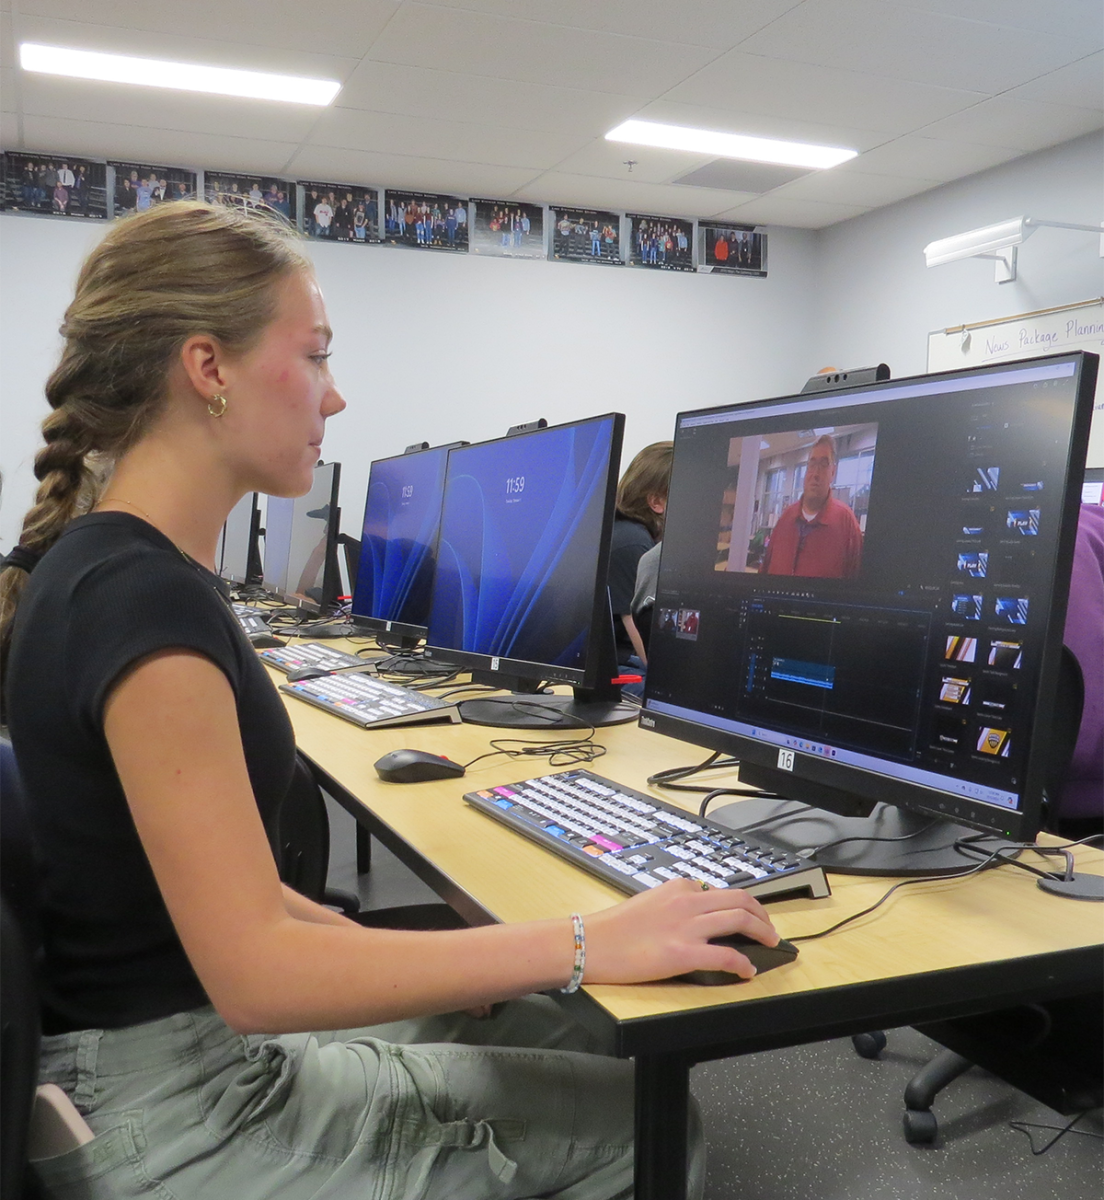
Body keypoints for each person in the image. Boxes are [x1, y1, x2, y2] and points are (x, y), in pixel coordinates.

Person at [0, 201, 779, 1200]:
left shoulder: (100, 567)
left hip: (145, 1054)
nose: (337, 398)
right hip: (182, 1103)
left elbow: (237, 900)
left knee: (571, 1020)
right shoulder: (142, 603)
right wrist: (585, 939)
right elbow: (257, 974)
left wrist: (492, 961)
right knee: (652, 1126)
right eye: (316, 357)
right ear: (210, 369)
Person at [608, 442, 674, 678]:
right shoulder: (635, 544)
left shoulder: (623, 530)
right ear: (656, 502)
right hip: (619, 664)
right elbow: (648, 654)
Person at [759, 433, 863, 578]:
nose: (816, 473)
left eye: (824, 464)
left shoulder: (847, 523)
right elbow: (764, 570)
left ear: (833, 472)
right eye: (812, 464)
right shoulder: (786, 518)